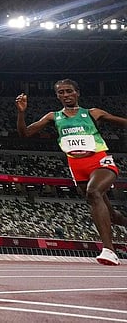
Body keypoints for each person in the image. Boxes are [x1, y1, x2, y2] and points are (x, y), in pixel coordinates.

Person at [16, 79, 127, 265]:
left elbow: (122, 122)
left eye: (69, 91)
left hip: (99, 161)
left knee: (94, 192)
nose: (66, 95)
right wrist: (21, 113)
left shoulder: (92, 113)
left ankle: (109, 250)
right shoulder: (53, 117)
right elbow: (24, 133)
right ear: (57, 96)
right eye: (61, 92)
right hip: (76, 166)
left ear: (77, 93)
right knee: (112, 215)